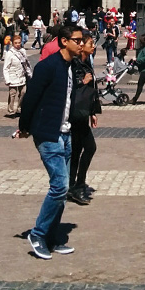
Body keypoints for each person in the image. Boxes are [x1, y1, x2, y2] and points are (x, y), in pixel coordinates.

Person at [17, 25, 85, 260]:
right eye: (77, 40)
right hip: (48, 134)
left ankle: (52, 237)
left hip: (65, 134)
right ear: (64, 42)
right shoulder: (47, 67)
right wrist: (24, 127)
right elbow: (30, 99)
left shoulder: (71, 67)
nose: (81, 44)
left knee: (62, 189)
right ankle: (37, 234)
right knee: (59, 186)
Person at [68, 32, 101, 205]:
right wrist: (83, 81)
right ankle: (76, 186)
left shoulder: (87, 61)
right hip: (75, 115)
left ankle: (73, 185)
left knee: (80, 150)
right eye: (90, 43)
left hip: (82, 113)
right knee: (85, 149)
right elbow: (71, 87)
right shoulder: (74, 64)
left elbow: (92, 90)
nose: (93, 46)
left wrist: (93, 112)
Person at [3, 32, 31, 117]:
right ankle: (11, 110)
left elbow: (26, 64)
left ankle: (19, 108)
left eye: (19, 42)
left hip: (22, 76)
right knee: (12, 94)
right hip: (13, 76)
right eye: (16, 43)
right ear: (12, 43)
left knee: (23, 92)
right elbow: (6, 68)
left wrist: (30, 74)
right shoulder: (9, 53)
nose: (18, 44)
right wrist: (7, 79)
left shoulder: (23, 51)